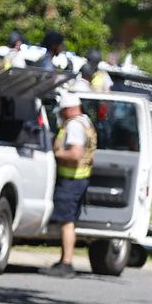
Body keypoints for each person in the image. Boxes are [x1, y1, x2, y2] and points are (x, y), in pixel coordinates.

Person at [45, 93, 97, 278]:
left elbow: (75, 154)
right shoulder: (85, 122)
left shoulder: (74, 125)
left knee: (67, 223)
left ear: (68, 109)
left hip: (71, 180)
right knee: (69, 222)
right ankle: (64, 260)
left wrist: (55, 153)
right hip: (79, 179)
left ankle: (66, 263)